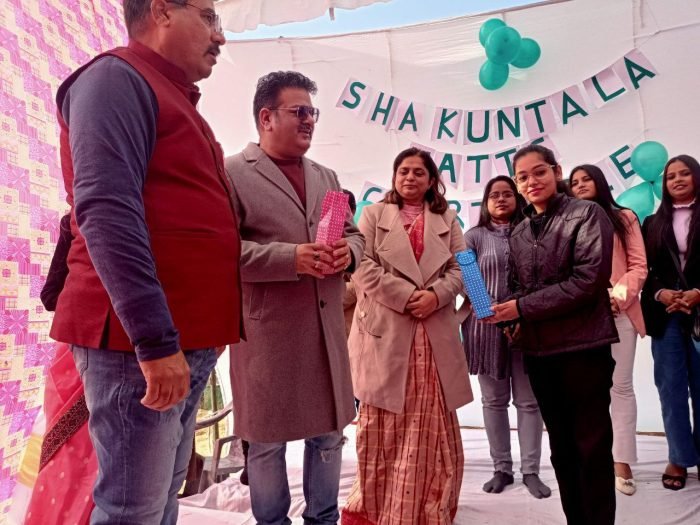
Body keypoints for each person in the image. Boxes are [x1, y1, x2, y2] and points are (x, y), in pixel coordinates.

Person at [47, 1, 243, 523]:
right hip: (137, 343)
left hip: (181, 339)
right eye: (208, 17)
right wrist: (154, 342)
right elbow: (107, 211)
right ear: (161, 11)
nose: (220, 37)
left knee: (159, 500)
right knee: (132, 510)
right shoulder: (116, 79)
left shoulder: (170, 94)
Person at [224, 71, 364, 525]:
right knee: (266, 443)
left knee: (329, 436)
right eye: (298, 111)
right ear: (266, 117)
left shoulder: (326, 176)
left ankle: (323, 519)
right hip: (268, 337)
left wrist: (349, 252)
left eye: (312, 112)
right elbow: (221, 251)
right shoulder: (232, 172)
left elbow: (353, 235)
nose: (309, 121)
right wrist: (292, 258)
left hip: (327, 334)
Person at [488, 144, 618, 525]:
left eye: (539, 172)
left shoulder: (587, 214)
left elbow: (588, 281)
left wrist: (522, 308)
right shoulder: (520, 231)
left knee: (592, 446)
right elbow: (518, 286)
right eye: (523, 177)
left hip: (584, 348)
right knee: (561, 449)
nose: (531, 181)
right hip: (540, 353)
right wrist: (507, 315)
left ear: (556, 172)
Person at [342, 147, 473, 525]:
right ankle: (378, 506)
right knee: (380, 423)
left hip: (433, 332)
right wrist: (405, 296)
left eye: (418, 172)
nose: (410, 177)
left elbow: (463, 268)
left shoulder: (448, 218)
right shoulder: (372, 214)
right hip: (386, 331)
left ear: (432, 180)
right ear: (394, 176)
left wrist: (436, 296)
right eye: (404, 171)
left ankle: (429, 505)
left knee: (432, 419)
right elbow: (360, 266)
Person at [461, 175, 550, 499]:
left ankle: (531, 470)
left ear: (518, 198)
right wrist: (494, 314)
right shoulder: (472, 237)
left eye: (507, 194)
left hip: (528, 326)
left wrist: (519, 313)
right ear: (485, 203)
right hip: (484, 329)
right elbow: (467, 276)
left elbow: (542, 275)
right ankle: (502, 468)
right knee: (494, 402)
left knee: (529, 402)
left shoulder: (534, 231)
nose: (501, 199)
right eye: (494, 195)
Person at [570, 164, 648, 495]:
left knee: (621, 386)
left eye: (586, 179)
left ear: (600, 182)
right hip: (582, 315)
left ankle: (622, 460)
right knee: (586, 389)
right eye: (574, 182)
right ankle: (592, 456)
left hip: (619, 312)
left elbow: (638, 265)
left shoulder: (624, 217)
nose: (580, 185)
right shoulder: (568, 222)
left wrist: (617, 296)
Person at [640, 154, 700, 491]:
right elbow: (643, 270)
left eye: (684, 173)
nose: (677, 180)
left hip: (698, 307)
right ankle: (678, 457)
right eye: (671, 176)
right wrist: (661, 292)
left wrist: (698, 293)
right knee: (671, 387)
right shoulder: (652, 222)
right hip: (666, 314)